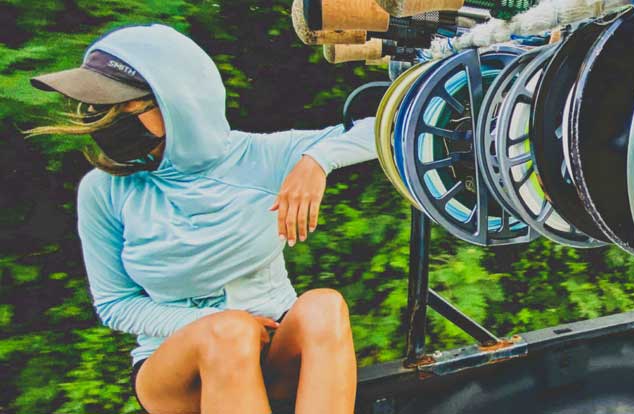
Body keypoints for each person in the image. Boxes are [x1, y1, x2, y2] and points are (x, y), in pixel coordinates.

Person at [26, 24, 377, 413]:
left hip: (276, 343)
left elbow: (392, 127)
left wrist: (319, 161)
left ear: (178, 104)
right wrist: (220, 320)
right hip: (176, 366)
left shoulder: (262, 157)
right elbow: (116, 305)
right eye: (98, 109)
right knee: (229, 332)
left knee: (324, 305)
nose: (105, 121)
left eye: (121, 107)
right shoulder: (102, 190)